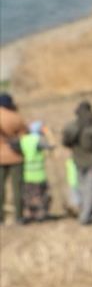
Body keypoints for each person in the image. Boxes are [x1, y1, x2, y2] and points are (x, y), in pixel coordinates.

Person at [62, 101, 92, 225]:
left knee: (82, 188)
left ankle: (87, 213)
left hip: (77, 161)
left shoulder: (71, 127)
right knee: (90, 189)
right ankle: (85, 216)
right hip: (91, 162)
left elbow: (65, 143)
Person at [0, 93, 28, 226]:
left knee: (0, 189)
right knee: (17, 188)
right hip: (15, 156)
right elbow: (24, 133)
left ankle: (1, 218)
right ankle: (19, 217)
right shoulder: (16, 117)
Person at [19, 121, 53, 222]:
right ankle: (40, 215)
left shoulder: (24, 139)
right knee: (40, 196)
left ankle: (30, 214)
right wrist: (49, 134)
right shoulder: (38, 140)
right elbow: (51, 146)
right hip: (38, 174)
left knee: (29, 196)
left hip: (27, 174)